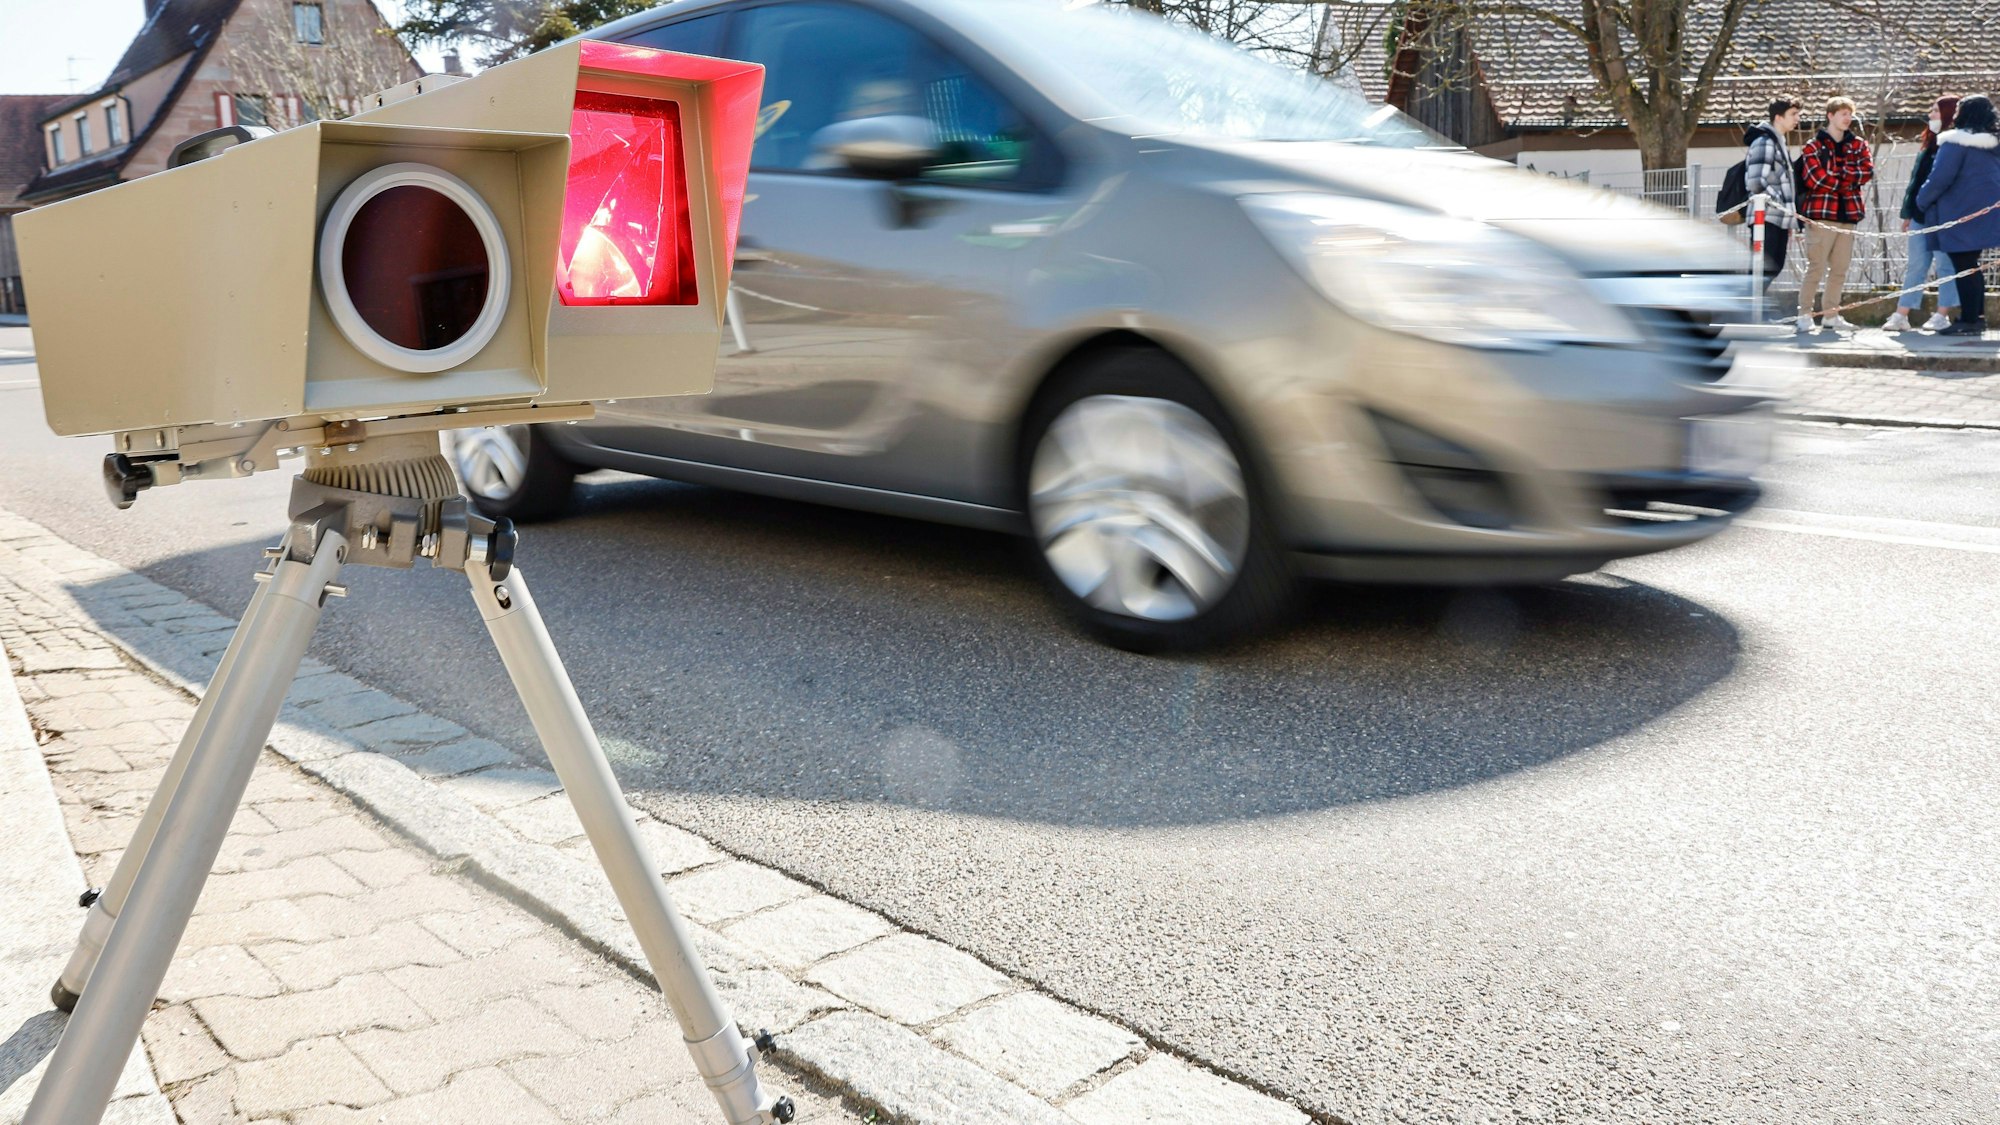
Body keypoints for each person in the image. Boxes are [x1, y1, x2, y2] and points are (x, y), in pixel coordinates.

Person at [1915, 93, 2000, 336]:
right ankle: (1976, 317)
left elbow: (1940, 178)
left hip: (1959, 214)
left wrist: (1921, 201)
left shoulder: (1955, 143)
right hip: (1985, 215)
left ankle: (1970, 320)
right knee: (1972, 267)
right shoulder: (1993, 146)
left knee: (1964, 267)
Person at [1796, 96, 1875, 332]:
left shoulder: (1859, 144)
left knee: (1840, 268)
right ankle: (1804, 315)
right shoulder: (1813, 146)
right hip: (1821, 214)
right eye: (1843, 113)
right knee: (1816, 266)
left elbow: (1866, 172)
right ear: (1830, 115)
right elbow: (1814, 179)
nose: (1848, 118)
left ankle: (1831, 315)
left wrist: (1838, 176)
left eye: (1850, 114)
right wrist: (1846, 179)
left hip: (1848, 214)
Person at [1885, 96, 1962, 332]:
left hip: (1945, 217)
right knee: (1917, 265)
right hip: (1921, 216)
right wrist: (1909, 213)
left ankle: (1942, 314)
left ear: (1948, 115)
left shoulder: (1956, 145)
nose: (1931, 115)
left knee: (1945, 266)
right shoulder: (1928, 144)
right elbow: (1916, 181)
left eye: (1936, 111)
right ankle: (1901, 314)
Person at [1743, 97, 1803, 299]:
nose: (1798, 118)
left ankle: (1751, 309)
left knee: (1773, 266)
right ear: (1778, 117)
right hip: (1765, 216)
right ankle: (1747, 311)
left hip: (1777, 218)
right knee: (1763, 268)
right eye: (1793, 114)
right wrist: (1778, 204)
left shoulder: (1779, 143)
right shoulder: (1765, 142)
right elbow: (1755, 181)